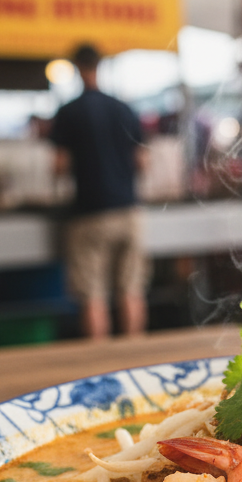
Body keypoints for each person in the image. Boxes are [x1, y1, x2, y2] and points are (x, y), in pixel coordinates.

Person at [49, 43, 150, 337]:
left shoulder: (69, 112)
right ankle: (135, 360)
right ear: (99, 66)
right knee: (132, 289)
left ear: (77, 68)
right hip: (128, 211)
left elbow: (59, 165)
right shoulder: (124, 109)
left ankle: (102, 366)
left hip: (89, 213)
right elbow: (142, 162)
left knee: (93, 295)